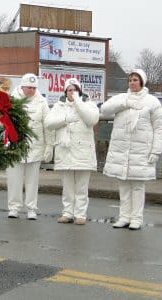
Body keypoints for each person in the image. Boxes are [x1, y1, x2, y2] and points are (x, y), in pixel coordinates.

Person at [101, 69, 162, 230]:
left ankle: (136, 218)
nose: (132, 83)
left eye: (135, 80)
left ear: (142, 82)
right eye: (130, 80)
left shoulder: (152, 102)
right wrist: (125, 103)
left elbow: (159, 128)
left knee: (138, 186)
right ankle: (124, 217)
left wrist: (156, 151)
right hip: (122, 151)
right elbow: (105, 109)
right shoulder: (122, 98)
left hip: (141, 152)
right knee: (124, 185)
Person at [45, 78, 99, 225]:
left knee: (81, 187)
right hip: (65, 150)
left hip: (83, 152)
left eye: (75, 89)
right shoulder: (59, 106)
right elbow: (48, 123)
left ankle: (80, 214)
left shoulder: (88, 105)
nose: (72, 92)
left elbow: (92, 120)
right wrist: (66, 118)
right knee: (68, 187)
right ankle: (68, 212)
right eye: (70, 90)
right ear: (65, 91)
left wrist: (78, 103)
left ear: (80, 91)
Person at [6, 73, 54, 219]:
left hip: (35, 148)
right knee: (14, 180)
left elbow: (48, 126)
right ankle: (14, 208)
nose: (32, 90)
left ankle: (31, 208)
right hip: (15, 148)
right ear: (22, 86)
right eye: (29, 87)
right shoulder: (12, 100)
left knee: (32, 181)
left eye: (34, 88)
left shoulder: (42, 102)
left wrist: (49, 146)